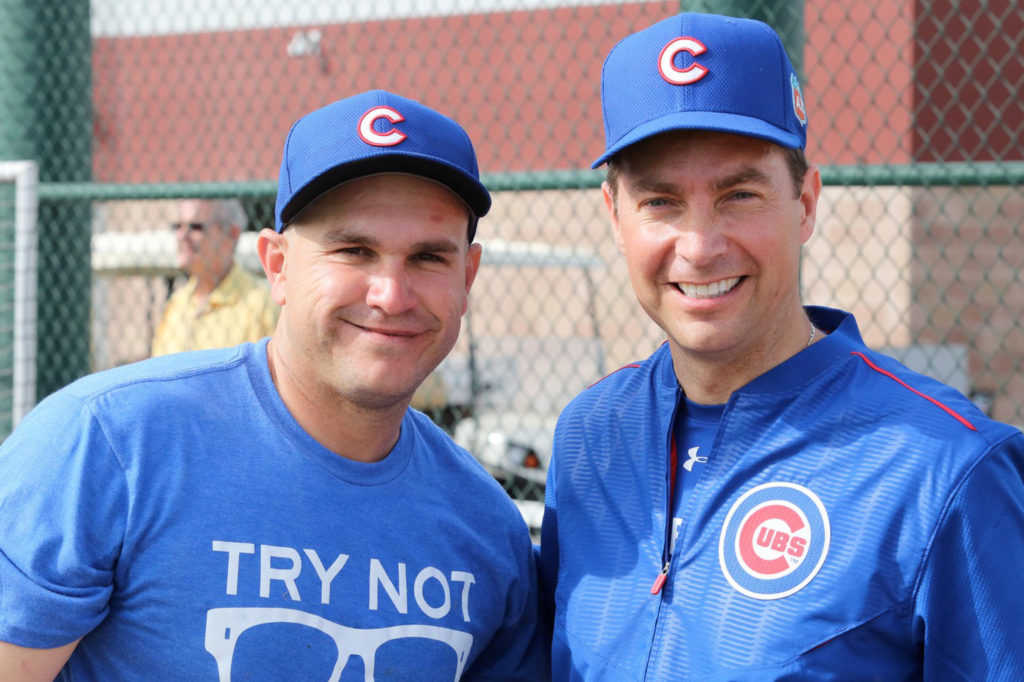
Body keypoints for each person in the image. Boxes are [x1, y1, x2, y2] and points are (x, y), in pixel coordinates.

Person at [538, 12, 1024, 680]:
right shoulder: (591, 434)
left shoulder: (946, 467)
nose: (701, 246)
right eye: (660, 202)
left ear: (806, 203)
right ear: (614, 217)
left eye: (739, 194)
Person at [0, 90, 547, 681]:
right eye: (353, 250)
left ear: (467, 278)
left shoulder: (488, 530)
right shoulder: (108, 444)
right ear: (277, 265)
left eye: (428, 258)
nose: (390, 295)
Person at [150, 197, 279, 356]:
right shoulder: (176, 304)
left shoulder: (263, 303)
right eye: (177, 226)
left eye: (195, 226)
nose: (182, 236)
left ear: (232, 234)